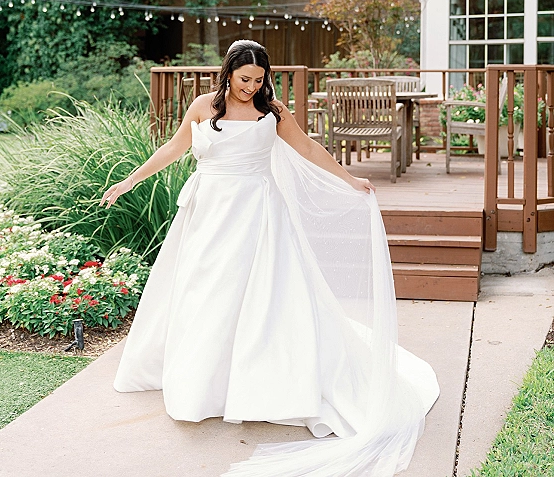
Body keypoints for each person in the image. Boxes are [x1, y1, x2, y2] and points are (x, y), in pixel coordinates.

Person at [100, 40, 439, 477]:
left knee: (263, 298)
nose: (251, 87)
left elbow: (310, 148)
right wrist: (129, 182)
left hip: (258, 214)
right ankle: (202, 387)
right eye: (245, 79)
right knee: (205, 297)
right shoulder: (203, 106)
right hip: (208, 216)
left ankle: (259, 385)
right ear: (228, 74)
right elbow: (173, 149)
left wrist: (350, 178)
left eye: (259, 80)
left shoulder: (273, 111)